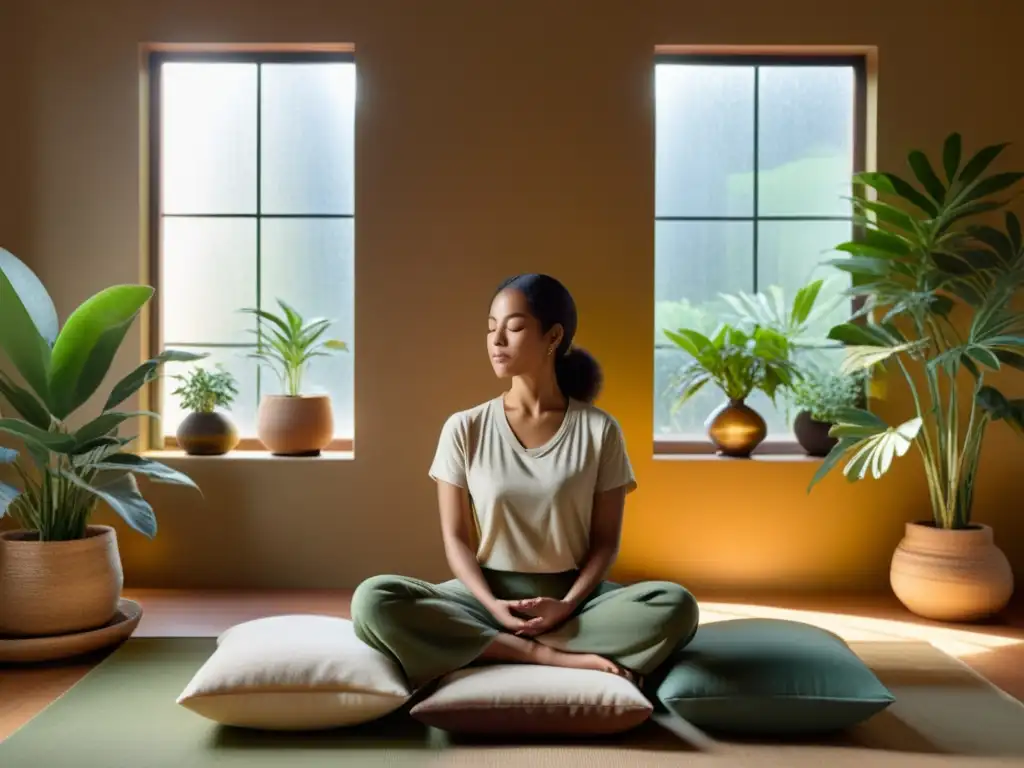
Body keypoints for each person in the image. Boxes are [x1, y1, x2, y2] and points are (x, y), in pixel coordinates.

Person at [352, 273, 699, 692]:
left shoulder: (599, 430)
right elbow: (456, 539)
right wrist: (493, 607)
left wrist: (567, 604)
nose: (496, 340)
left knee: (676, 606)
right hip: (485, 597)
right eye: (490, 327)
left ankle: (483, 649)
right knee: (374, 600)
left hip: (574, 601)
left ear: (553, 336)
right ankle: (543, 653)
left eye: (513, 327)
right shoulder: (465, 427)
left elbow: (606, 542)